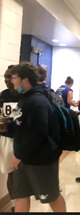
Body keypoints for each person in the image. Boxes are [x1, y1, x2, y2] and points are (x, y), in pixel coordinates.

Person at [10, 62, 66, 212]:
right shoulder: (25, 98)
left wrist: (19, 154)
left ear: (25, 80)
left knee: (51, 196)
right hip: (24, 158)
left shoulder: (38, 101)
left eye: (14, 78)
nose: (11, 81)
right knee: (21, 195)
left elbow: (39, 132)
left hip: (41, 160)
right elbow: (23, 125)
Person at [0, 65, 20, 212]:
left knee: (23, 174)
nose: (8, 80)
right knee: (11, 174)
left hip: (23, 139)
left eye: (11, 77)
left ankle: (21, 204)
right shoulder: (3, 95)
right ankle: (14, 205)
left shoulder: (25, 94)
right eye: (7, 77)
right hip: (7, 139)